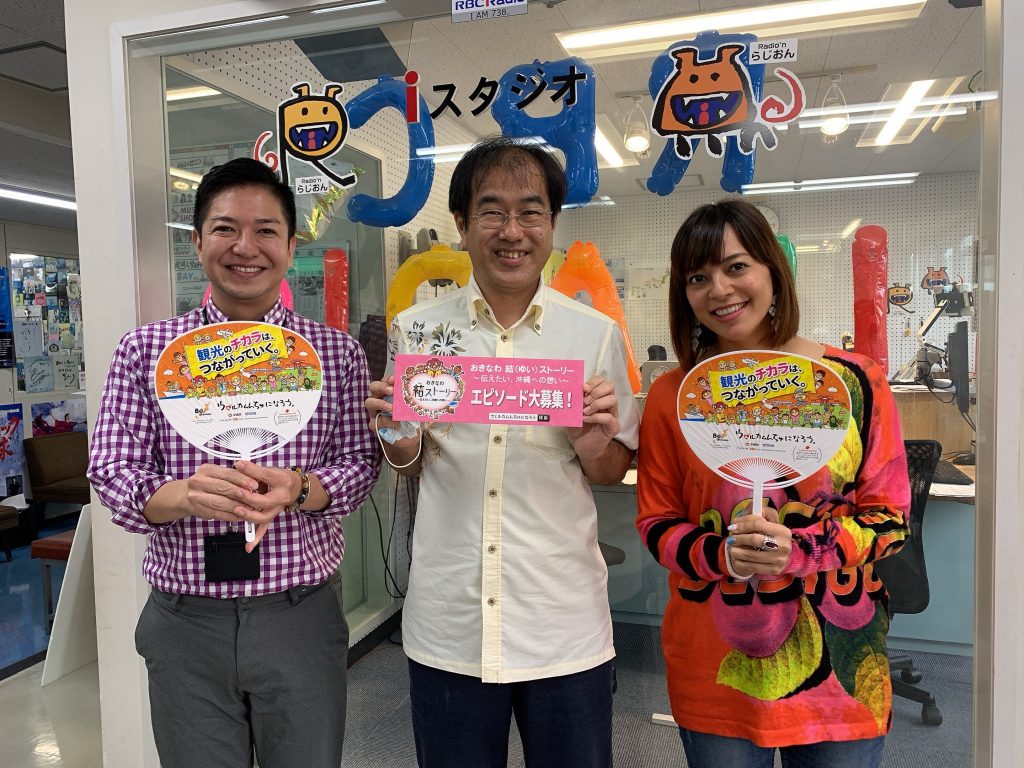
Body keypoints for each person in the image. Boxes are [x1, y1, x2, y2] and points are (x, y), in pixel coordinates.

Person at [88, 158, 381, 768]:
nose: (246, 247)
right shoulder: (148, 351)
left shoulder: (336, 354)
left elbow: (359, 464)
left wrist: (301, 488)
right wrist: (183, 495)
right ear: (197, 242)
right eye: (225, 228)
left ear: (291, 245)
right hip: (186, 619)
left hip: (299, 614)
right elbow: (113, 471)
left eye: (266, 230)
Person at [365, 137, 640, 768]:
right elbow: (408, 463)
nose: (511, 231)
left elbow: (610, 469)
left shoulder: (594, 335)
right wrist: (398, 441)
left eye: (530, 212)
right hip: (450, 621)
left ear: (551, 224)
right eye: (491, 211)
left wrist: (592, 442)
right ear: (462, 224)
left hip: (562, 622)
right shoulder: (418, 331)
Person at [635, 199, 911, 768]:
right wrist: (722, 554)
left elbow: (891, 521)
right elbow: (656, 523)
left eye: (736, 266)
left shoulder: (853, 382)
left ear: (773, 272)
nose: (719, 289)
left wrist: (803, 550)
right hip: (715, 666)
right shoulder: (674, 396)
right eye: (697, 277)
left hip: (840, 670)